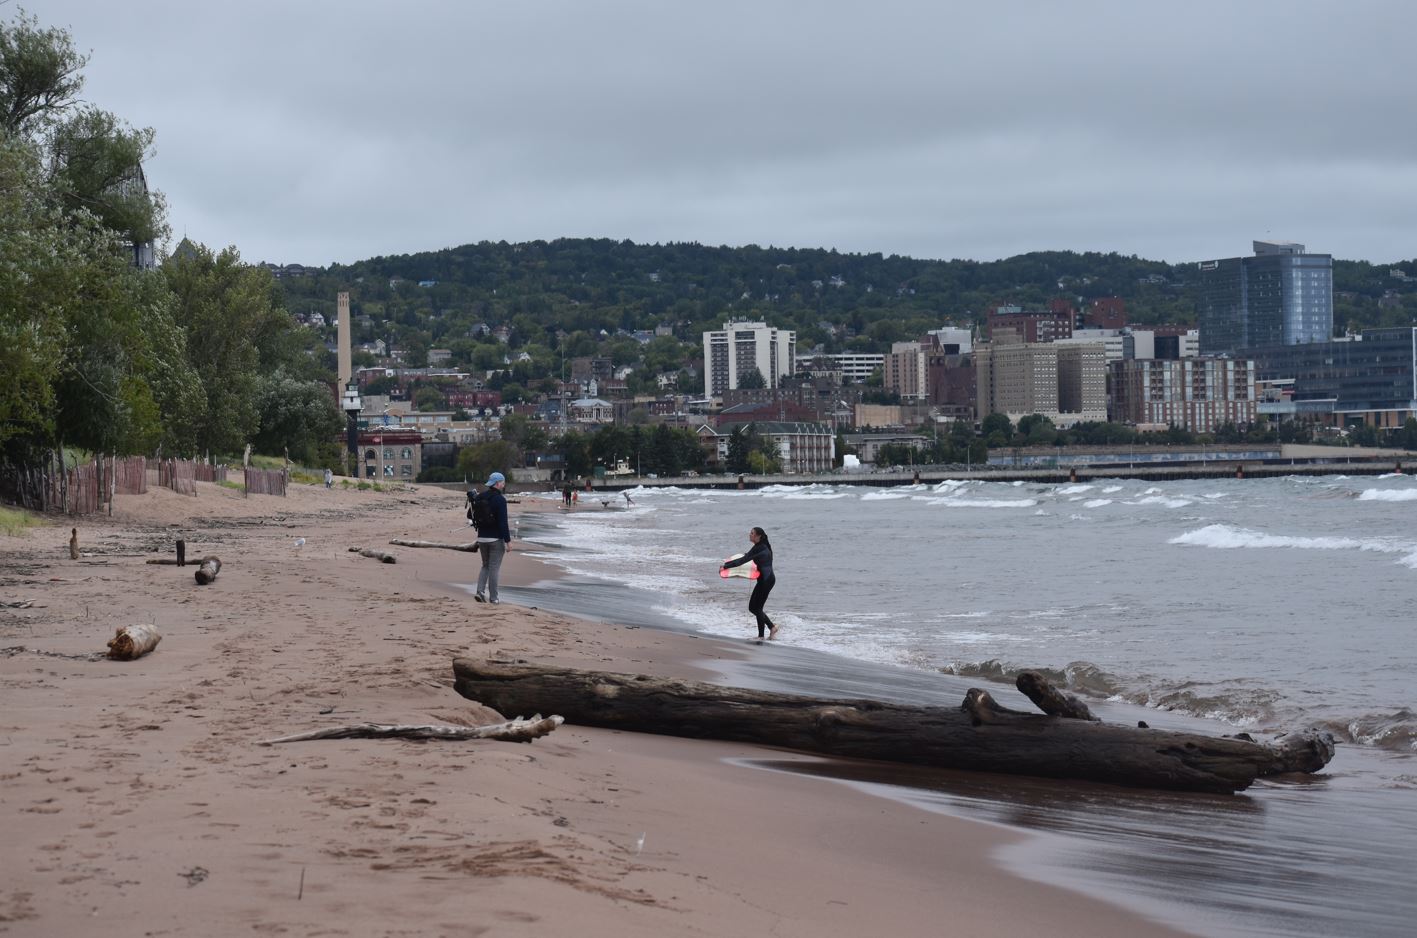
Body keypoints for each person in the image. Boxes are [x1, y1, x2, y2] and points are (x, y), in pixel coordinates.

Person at [720, 527, 778, 641]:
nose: (750, 535)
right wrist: (728, 563)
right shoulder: (758, 546)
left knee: (757, 608)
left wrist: (725, 566)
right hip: (763, 580)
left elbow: (743, 560)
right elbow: (747, 556)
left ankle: (761, 636)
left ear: (758, 536)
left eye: (752, 533)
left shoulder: (761, 548)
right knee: (753, 608)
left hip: (767, 581)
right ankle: (771, 627)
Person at [472, 471, 511, 604]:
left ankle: (480, 591)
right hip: (495, 539)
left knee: (485, 566)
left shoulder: (479, 497)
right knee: (494, 568)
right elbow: (503, 523)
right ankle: (494, 598)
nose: (504, 484)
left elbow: (470, 516)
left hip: (481, 538)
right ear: (497, 483)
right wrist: (508, 541)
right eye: (503, 482)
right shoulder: (500, 500)